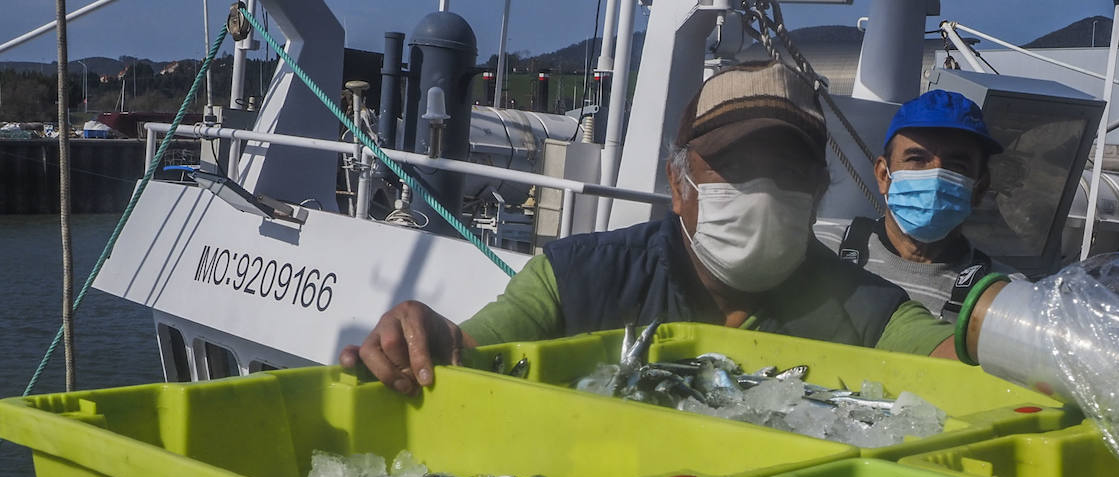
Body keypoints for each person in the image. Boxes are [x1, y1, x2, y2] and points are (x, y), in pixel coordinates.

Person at [341, 62, 1008, 395]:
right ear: (678, 183)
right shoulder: (576, 277)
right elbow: (472, 349)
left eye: (788, 170)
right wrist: (422, 338)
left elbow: (952, 362)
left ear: (819, 191)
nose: (763, 189)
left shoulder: (866, 307)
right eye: (737, 166)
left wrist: (1016, 331)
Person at [832, 90, 1004, 321]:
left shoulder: (1003, 296)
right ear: (883, 175)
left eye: (957, 165)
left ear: (979, 188)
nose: (935, 177)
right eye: (917, 159)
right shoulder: (813, 246)